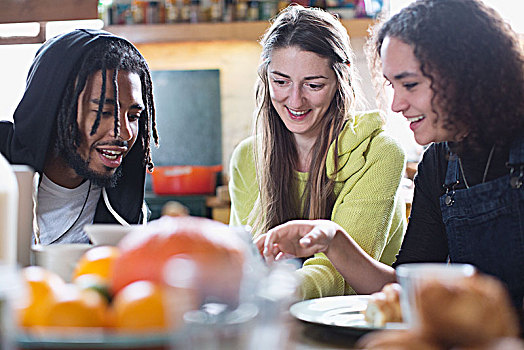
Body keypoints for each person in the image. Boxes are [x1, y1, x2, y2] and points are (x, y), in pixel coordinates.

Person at [262, 0, 524, 313]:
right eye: (391, 85)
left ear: (467, 73)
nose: (397, 104)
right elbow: (407, 291)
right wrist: (333, 241)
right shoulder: (439, 163)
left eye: (410, 84)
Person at [228, 5, 407, 299]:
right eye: (281, 81)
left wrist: (269, 296)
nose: (295, 100)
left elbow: (335, 274)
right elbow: (244, 259)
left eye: (314, 84)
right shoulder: (247, 158)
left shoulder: (378, 153)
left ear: (341, 78)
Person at [0, 29, 158, 245]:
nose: (125, 133)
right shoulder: (4, 170)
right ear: (55, 108)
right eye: (104, 112)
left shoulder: (124, 203)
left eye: (133, 116)